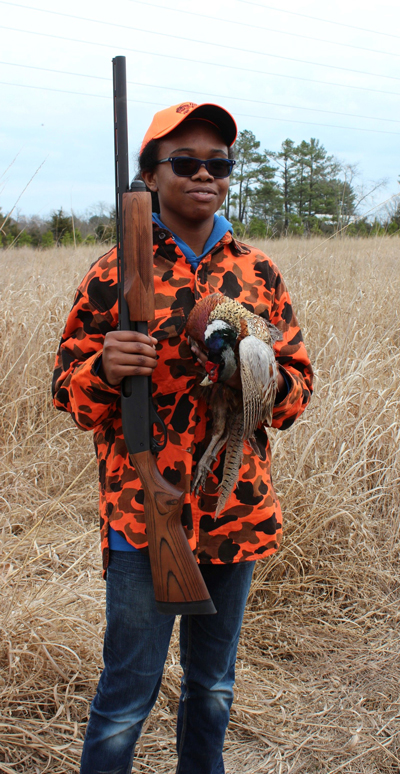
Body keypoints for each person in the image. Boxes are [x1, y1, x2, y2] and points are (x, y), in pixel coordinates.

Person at [52, 101, 313, 774]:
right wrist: (105, 369)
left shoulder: (258, 273)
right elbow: (66, 392)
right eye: (186, 162)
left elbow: (298, 390)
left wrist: (260, 378)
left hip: (236, 509)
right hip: (143, 516)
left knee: (214, 688)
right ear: (149, 176)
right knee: (124, 698)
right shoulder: (113, 273)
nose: (206, 174)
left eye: (219, 163)